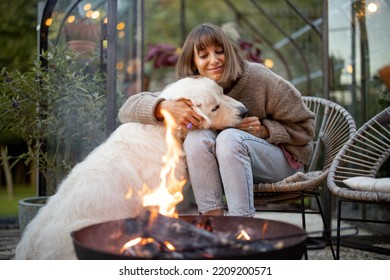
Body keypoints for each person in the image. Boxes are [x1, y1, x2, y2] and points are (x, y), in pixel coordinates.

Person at [118, 23, 315, 217]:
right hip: (230, 166)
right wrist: (163, 106)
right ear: (194, 62)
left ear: (228, 52)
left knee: (229, 138)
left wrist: (265, 130)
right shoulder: (196, 89)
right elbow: (126, 110)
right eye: (204, 56)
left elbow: (306, 129)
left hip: (284, 163)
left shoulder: (260, 79)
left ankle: (241, 226)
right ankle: (213, 222)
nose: (214, 61)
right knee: (196, 138)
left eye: (219, 52)